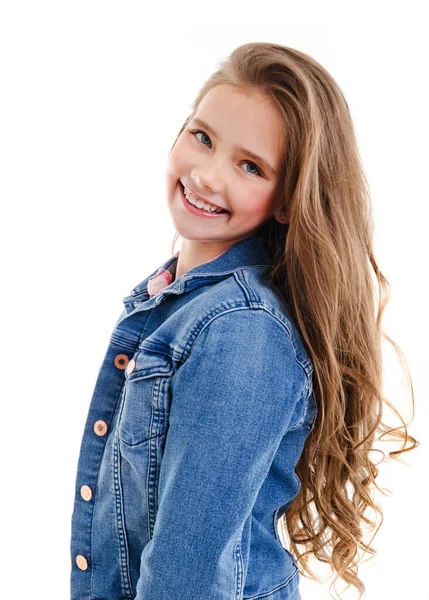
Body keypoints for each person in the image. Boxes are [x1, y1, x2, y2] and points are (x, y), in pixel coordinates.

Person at [70, 42, 418, 600]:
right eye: (202, 137)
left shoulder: (240, 330)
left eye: (250, 166)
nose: (206, 176)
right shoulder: (175, 305)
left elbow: (187, 578)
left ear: (288, 199)